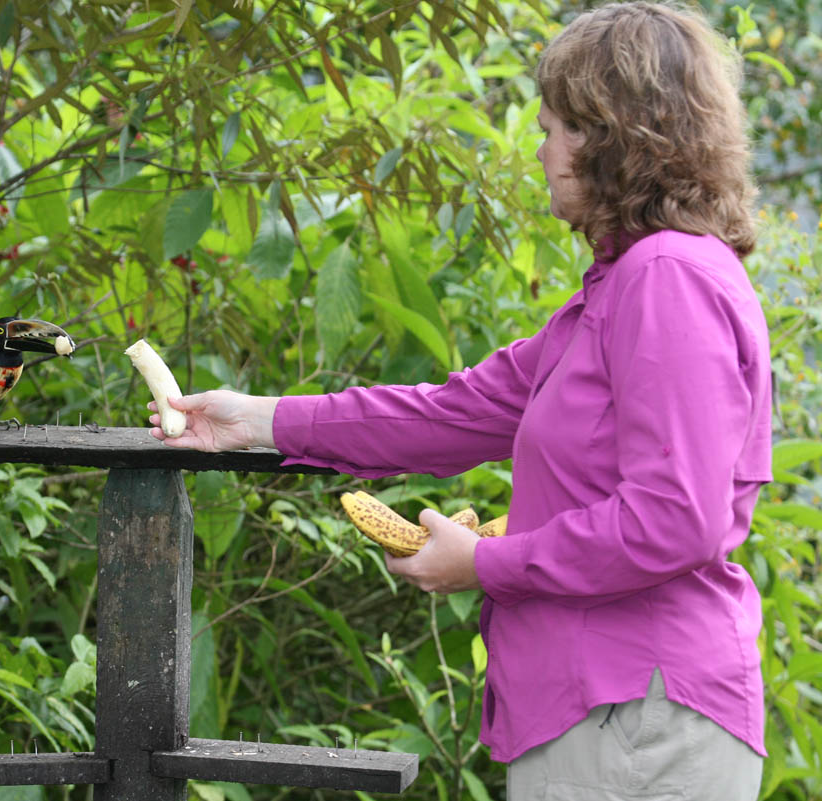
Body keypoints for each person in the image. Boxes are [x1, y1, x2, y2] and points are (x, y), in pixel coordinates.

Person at [145, 3, 770, 799]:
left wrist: (484, 563)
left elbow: (677, 518)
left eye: (551, 130)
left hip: (637, 713)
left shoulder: (666, 279)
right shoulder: (617, 292)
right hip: (609, 710)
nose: (539, 152)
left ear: (609, 137)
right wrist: (255, 419)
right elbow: (451, 411)